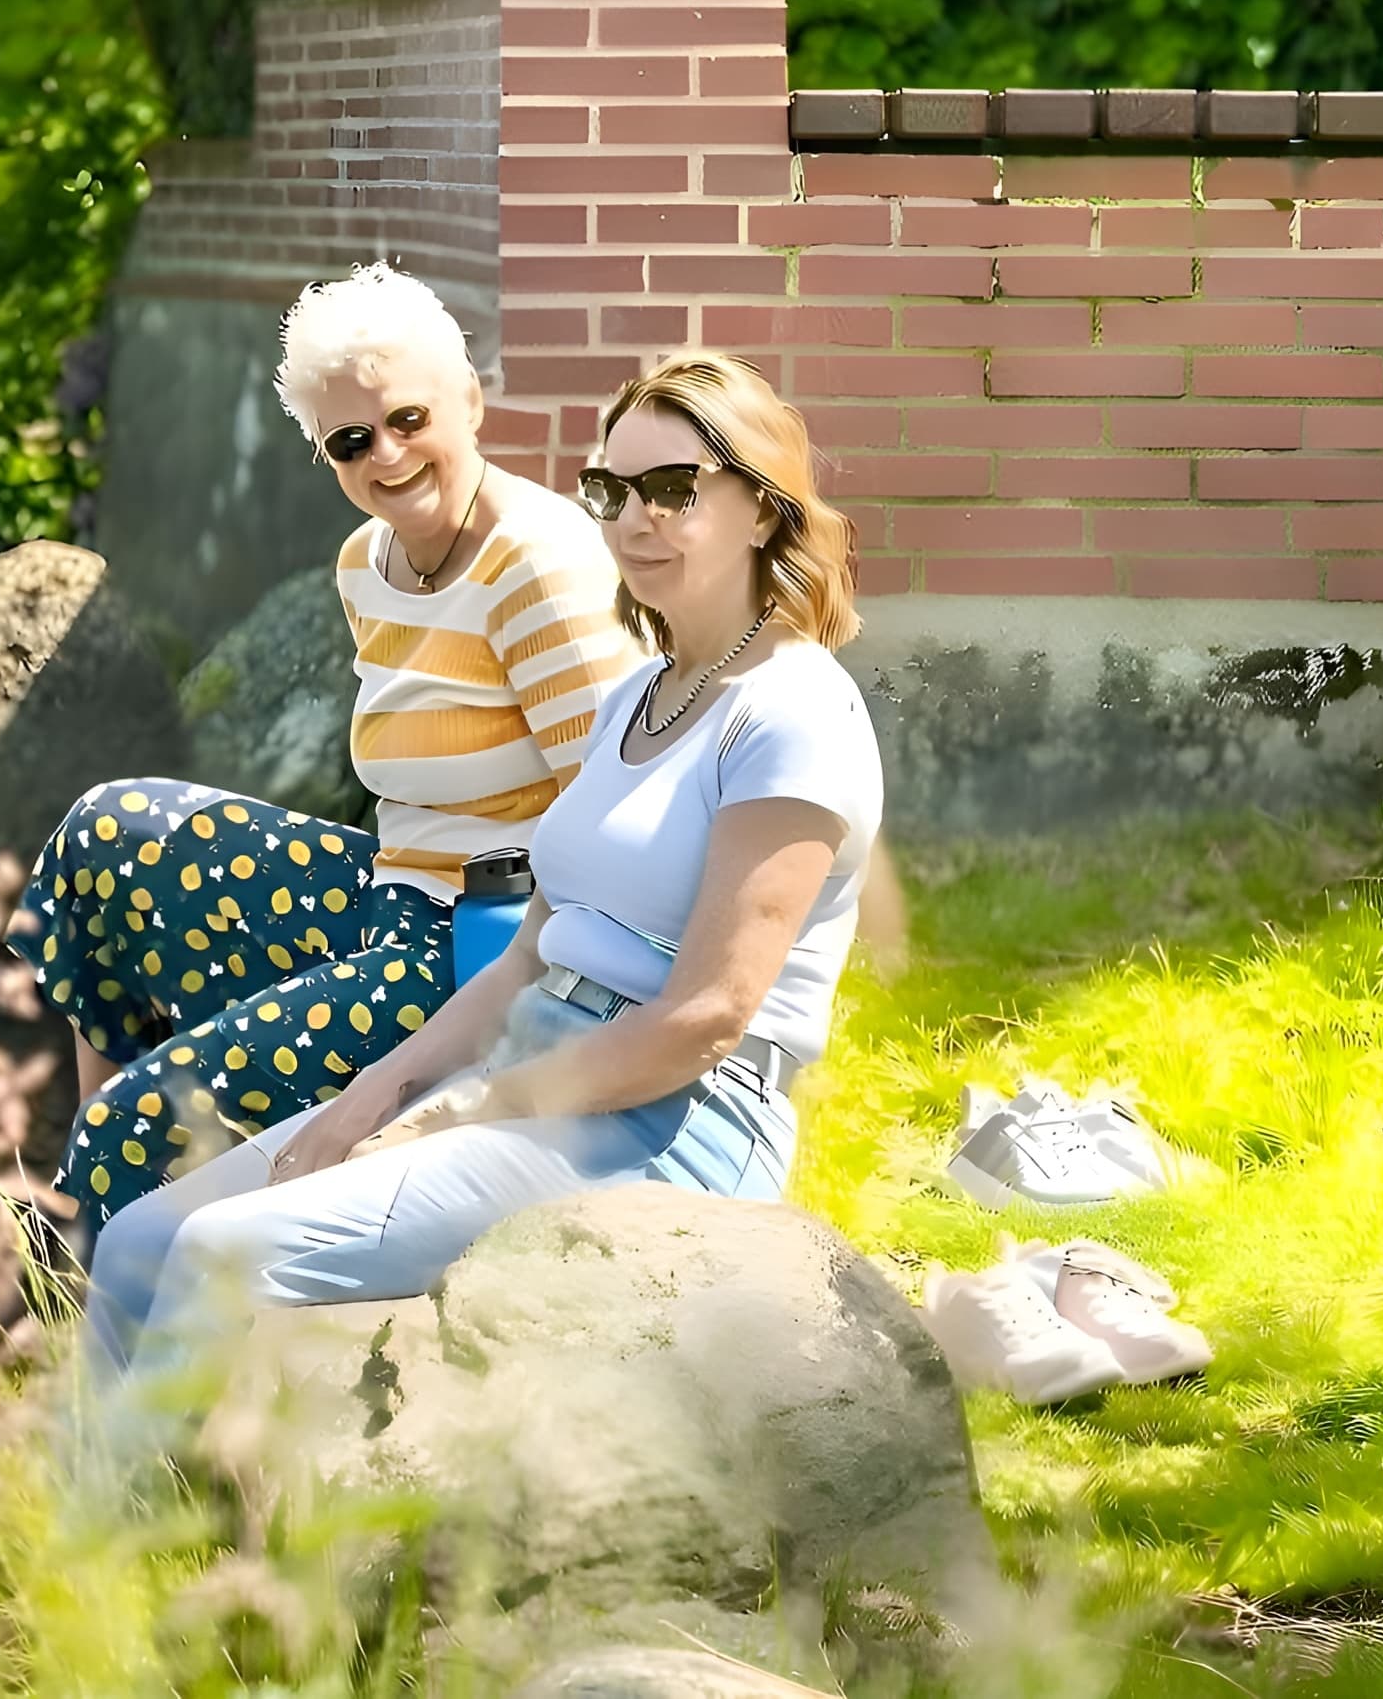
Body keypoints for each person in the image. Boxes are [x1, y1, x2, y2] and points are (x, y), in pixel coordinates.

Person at [81, 349, 881, 1373]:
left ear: (764, 510)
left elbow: (703, 1022)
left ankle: (142, 1529)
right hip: (532, 1060)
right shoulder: (636, 698)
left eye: (674, 490)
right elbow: (520, 963)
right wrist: (376, 1094)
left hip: (664, 1122)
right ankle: (79, 1514)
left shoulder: (792, 713)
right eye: (612, 490)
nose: (636, 520)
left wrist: (470, 1109)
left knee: (216, 1252)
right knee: (142, 1237)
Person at [10, 262, 639, 1240]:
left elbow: (616, 836)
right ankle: (96, 1171)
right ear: (325, 453)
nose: (385, 455)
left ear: (469, 401)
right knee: (107, 835)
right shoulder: (366, 564)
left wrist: (491, 1032)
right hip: (390, 900)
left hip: (489, 952)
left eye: (408, 419)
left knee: (136, 1131)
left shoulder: (537, 565)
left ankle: (74, 1295)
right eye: (351, 439)